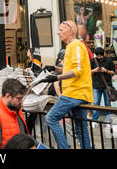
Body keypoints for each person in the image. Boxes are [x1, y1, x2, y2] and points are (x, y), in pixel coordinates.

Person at [41, 20, 93, 149]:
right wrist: (54, 68)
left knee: (51, 118)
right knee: (81, 128)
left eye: (61, 30)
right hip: (78, 93)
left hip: (74, 93)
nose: (58, 33)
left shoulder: (75, 45)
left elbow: (78, 70)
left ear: (70, 31)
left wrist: (56, 77)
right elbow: (72, 69)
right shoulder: (73, 46)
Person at [0, 78, 29, 149]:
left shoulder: (16, 109)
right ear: (8, 96)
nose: (21, 102)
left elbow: (24, 136)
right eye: (18, 98)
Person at [90, 47, 116, 123]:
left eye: (100, 56)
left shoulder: (109, 60)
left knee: (107, 104)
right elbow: (88, 72)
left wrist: (106, 70)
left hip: (107, 85)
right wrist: (94, 70)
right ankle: (94, 120)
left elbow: (114, 72)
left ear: (103, 54)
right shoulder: (93, 61)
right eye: (97, 56)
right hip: (96, 85)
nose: (99, 57)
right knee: (95, 104)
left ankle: (108, 121)